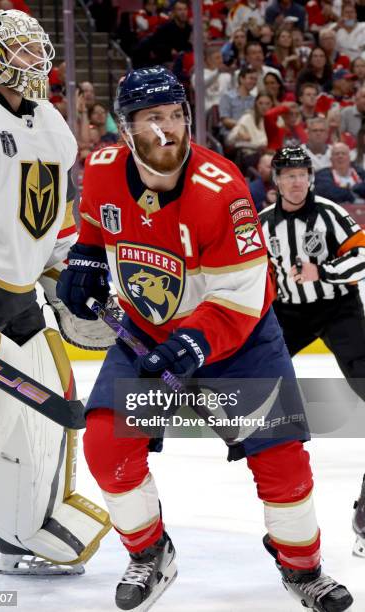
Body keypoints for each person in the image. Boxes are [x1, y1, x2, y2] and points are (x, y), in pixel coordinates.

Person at [57, 66, 353, 612]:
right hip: (146, 336)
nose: (167, 131)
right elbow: (100, 221)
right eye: (152, 119)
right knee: (105, 446)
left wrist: (193, 345)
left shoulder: (225, 192)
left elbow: (240, 298)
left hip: (238, 344)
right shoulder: (99, 169)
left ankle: (302, 568)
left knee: (283, 466)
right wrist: (88, 254)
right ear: (125, 129)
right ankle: (149, 554)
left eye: (175, 116)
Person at [0, 9, 110, 585]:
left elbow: (54, 224)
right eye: (18, 52)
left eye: (37, 51)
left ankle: (23, 529)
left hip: (19, 303)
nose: (33, 63)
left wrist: (71, 282)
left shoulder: (53, 125)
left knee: (41, 417)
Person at [259, 146, 365, 558]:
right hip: (290, 314)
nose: (297, 181)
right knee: (255, 384)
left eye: (303, 173)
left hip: (339, 310)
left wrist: (322, 272)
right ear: (277, 181)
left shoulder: (333, 214)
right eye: (288, 175)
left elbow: (360, 258)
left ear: (311, 176)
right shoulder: (264, 224)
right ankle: (281, 507)